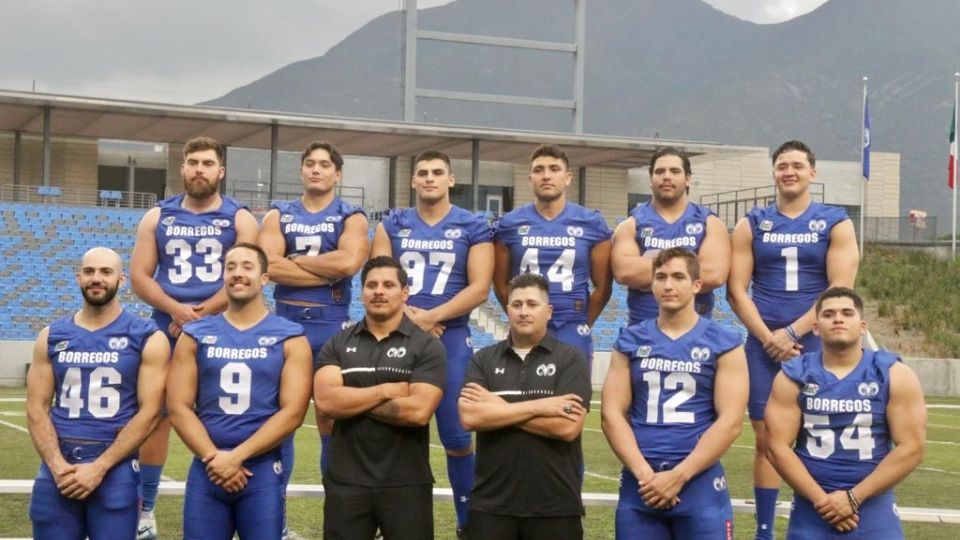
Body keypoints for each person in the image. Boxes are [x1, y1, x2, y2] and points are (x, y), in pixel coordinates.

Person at [726, 140, 859, 540]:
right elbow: (736, 289)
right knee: (767, 438)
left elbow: (840, 288)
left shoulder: (835, 221)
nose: (789, 171)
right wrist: (769, 337)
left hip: (818, 343)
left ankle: (824, 515)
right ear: (773, 172)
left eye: (798, 165)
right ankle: (764, 530)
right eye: (782, 165)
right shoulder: (753, 222)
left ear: (812, 173)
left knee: (824, 433)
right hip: (763, 345)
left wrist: (793, 332)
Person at [130, 136, 259, 539]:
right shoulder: (157, 216)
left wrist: (199, 316)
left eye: (207, 163)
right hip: (166, 326)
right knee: (155, 416)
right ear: (182, 169)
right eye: (192, 163)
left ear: (220, 171)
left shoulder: (240, 218)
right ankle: (146, 509)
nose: (199, 169)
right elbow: (138, 275)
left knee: (236, 413)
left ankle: (254, 504)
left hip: (222, 325)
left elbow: (249, 274)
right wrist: (176, 310)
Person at [370, 150, 493, 533]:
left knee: (457, 436)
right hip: (397, 334)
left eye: (437, 172)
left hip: (450, 336)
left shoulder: (473, 225)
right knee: (389, 430)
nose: (429, 178)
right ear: (412, 181)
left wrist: (431, 317)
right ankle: (381, 516)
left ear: (451, 180)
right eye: (422, 172)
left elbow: (480, 288)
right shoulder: (393, 223)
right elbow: (378, 276)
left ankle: (467, 520)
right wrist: (412, 320)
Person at [166, 243, 313, 540]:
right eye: (231, 267)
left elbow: (293, 412)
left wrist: (236, 458)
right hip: (207, 467)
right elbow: (178, 407)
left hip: (260, 470)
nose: (237, 273)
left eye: (247, 266)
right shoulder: (195, 335)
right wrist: (215, 457)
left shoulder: (290, 336)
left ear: (264, 279)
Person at [602, 247, 748, 539]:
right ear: (650, 285)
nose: (668, 285)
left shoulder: (724, 342)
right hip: (641, 485)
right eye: (661, 277)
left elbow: (730, 422)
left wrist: (678, 476)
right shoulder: (630, 340)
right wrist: (646, 476)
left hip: (699, 486)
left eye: (678, 277)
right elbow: (611, 414)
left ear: (696, 285)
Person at [26, 247, 170, 540]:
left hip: (115, 468)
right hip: (59, 466)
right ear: (79, 277)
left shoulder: (146, 335)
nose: (97, 278)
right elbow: (36, 407)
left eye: (106, 272)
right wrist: (56, 465)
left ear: (122, 280)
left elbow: (150, 411)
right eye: (89, 271)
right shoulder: (51, 335)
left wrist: (100, 466)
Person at [765, 287, 926, 539]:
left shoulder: (893, 373)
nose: (838, 318)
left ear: (863, 326)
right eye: (829, 314)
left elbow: (912, 447)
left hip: (873, 507)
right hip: (813, 506)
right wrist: (824, 502)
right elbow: (776, 446)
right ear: (816, 327)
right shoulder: (794, 374)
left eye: (846, 313)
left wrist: (853, 497)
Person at [257, 140, 368, 498]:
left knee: (330, 418)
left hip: (330, 328)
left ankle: (339, 512)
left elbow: (350, 263)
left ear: (337, 174)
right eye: (310, 163)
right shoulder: (278, 214)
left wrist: (294, 260)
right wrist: (325, 272)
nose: (316, 169)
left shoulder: (351, 215)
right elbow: (268, 265)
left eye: (324, 164)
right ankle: (277, 516)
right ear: (302, 171)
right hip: (287, 326)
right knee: (281, 421)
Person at [313, 256, 446, 539]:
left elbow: (418, 412)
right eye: (371, 285)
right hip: (346, 481)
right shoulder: (338, 343)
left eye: (388, 284)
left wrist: (351, 400)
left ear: (404, 292)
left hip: (406, 483)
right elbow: (326, 403)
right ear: (362, 293)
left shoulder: (427, 347)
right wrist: (386, 390)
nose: (379, 291)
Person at [459, 273, 591, 540]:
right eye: (516, 305)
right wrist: (541, 406)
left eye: (532, 304)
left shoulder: (570, 359)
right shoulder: (483, 360)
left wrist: (497, 407)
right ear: (507, 310)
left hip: (555, 506)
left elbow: (567, 427)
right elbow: (471, 417)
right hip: (490, 505)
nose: (523, 311)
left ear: (548, 311)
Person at [493, 144, 613, 364]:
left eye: (554, 169)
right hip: (526, 325)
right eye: (539, 170)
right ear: (530, 179)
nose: (546, 176)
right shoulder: (510, 224)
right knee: (519, 394)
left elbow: (603, 286)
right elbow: (500, 283)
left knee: (573, 396)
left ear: (568, 177)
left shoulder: (591, 222)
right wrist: (520, 315)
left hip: (571, 324)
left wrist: (583, 322)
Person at [611, 147, 730, 324]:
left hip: (697, 334)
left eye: (675, 171)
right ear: (650, 180)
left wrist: (648, 275)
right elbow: (625, 273)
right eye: (660, 171)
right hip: (643, 331)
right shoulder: (630, 225)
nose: (667, 176)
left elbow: (714, 275)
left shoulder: (710, 223)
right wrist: (691, 267)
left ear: (688, 179)